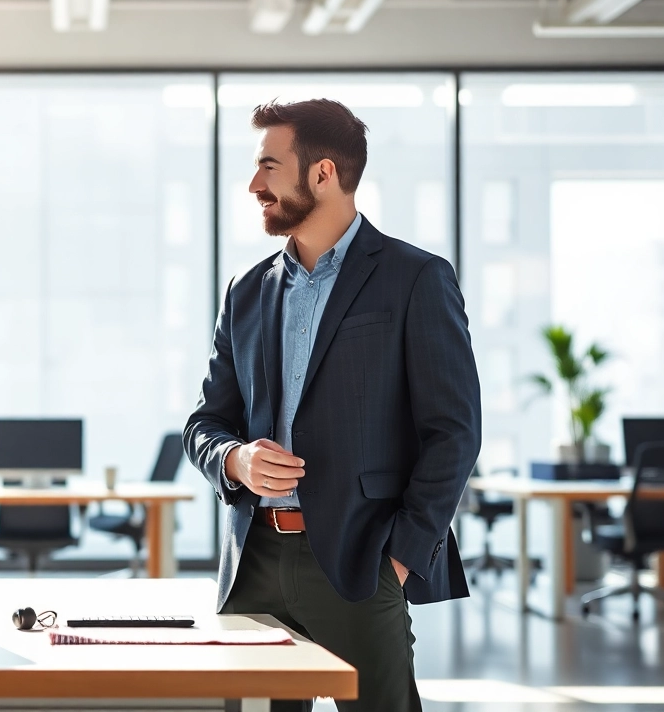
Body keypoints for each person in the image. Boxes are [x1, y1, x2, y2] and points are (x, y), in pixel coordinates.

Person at [184, 100, 480, 711]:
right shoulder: (246, 291)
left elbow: (453, 432)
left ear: (322, 173)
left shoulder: (415, 278)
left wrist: (399, 558)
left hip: (360, 560)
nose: (254, 184)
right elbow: (206, 423)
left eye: (269, 165)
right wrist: (235, 460)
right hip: (255, 564)